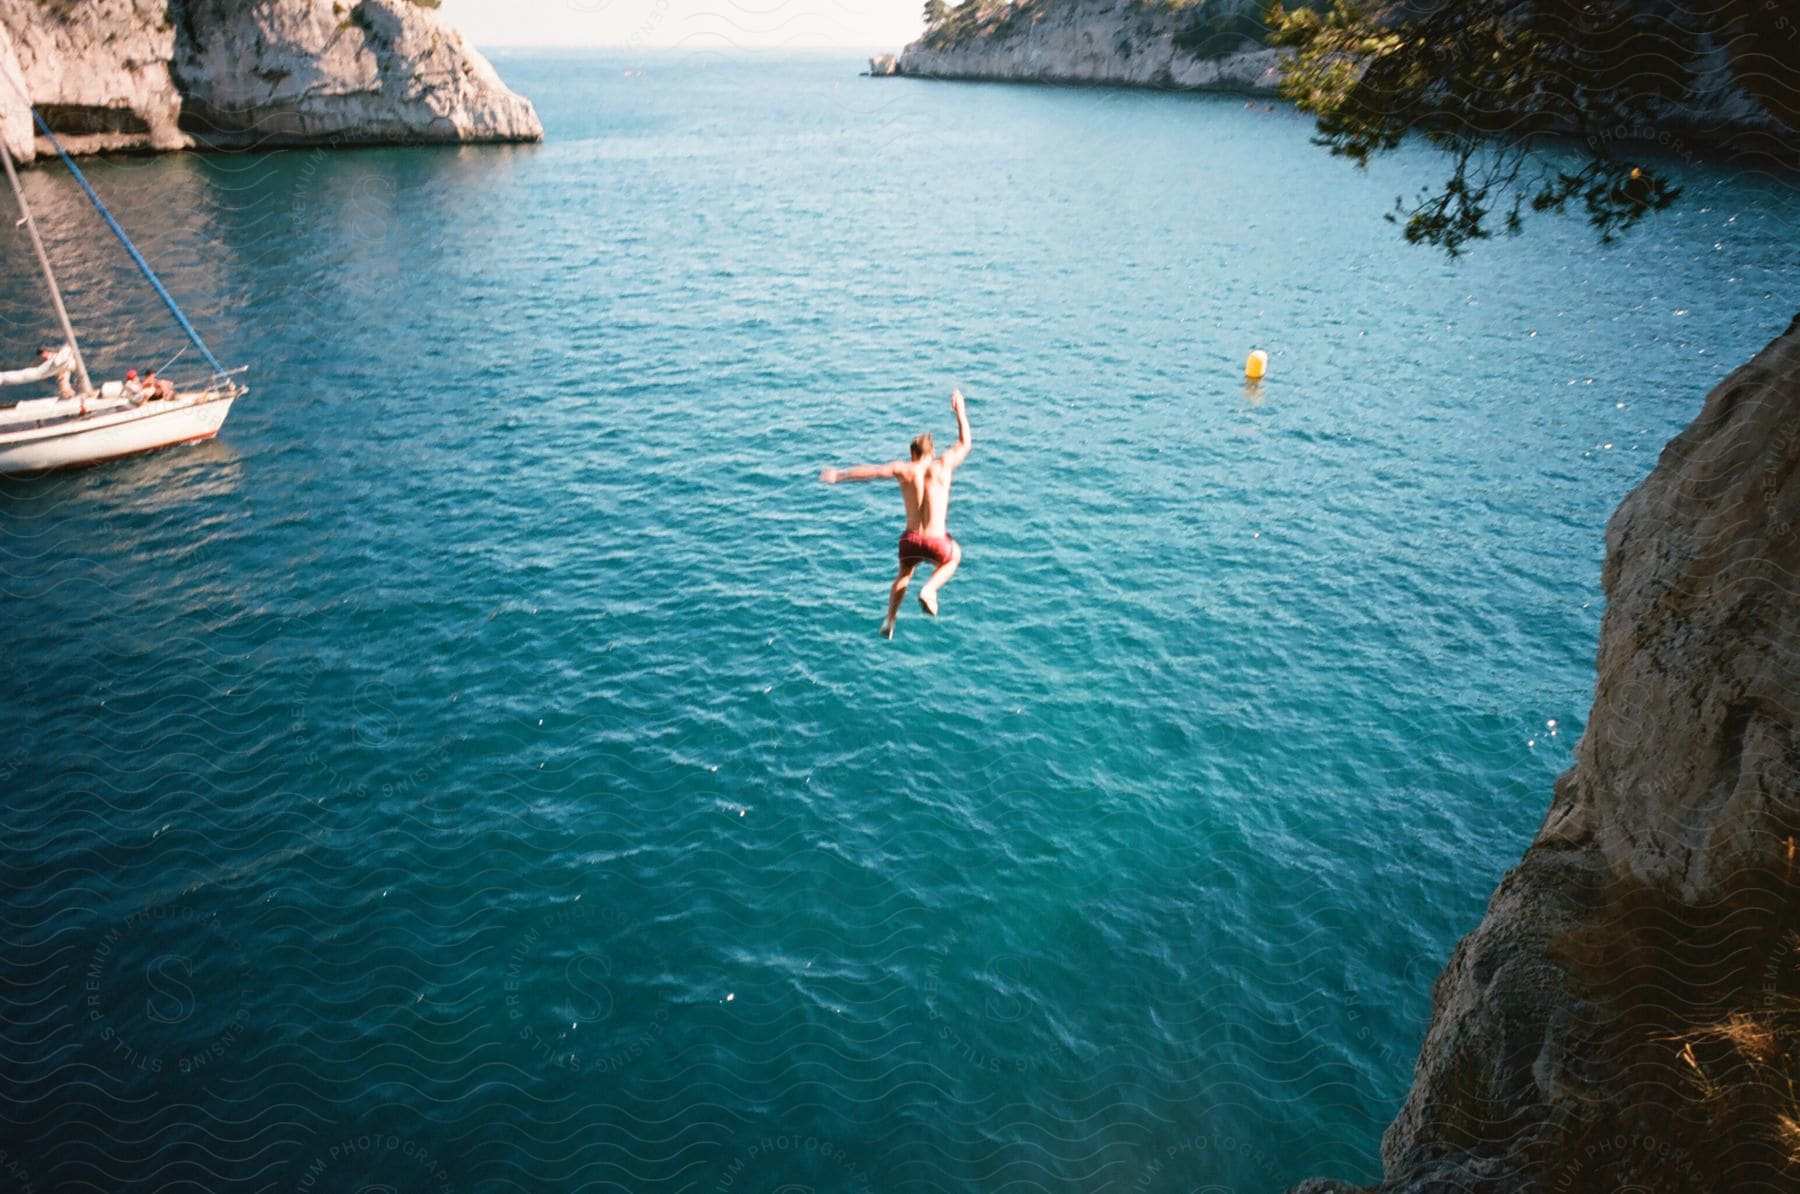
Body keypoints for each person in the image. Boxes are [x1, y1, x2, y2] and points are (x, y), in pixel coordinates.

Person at [820, 388, 973, 638]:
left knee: (904, 575)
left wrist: (840, 475)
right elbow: (965, 442)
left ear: (912, 454)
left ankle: (890, 620)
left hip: (910, 541)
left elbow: (872, 472)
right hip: (937, 541)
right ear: (931, 453)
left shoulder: (904, 469)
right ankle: (930, 589)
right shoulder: (943, 465)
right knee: (954, 556)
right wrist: (960, 411)